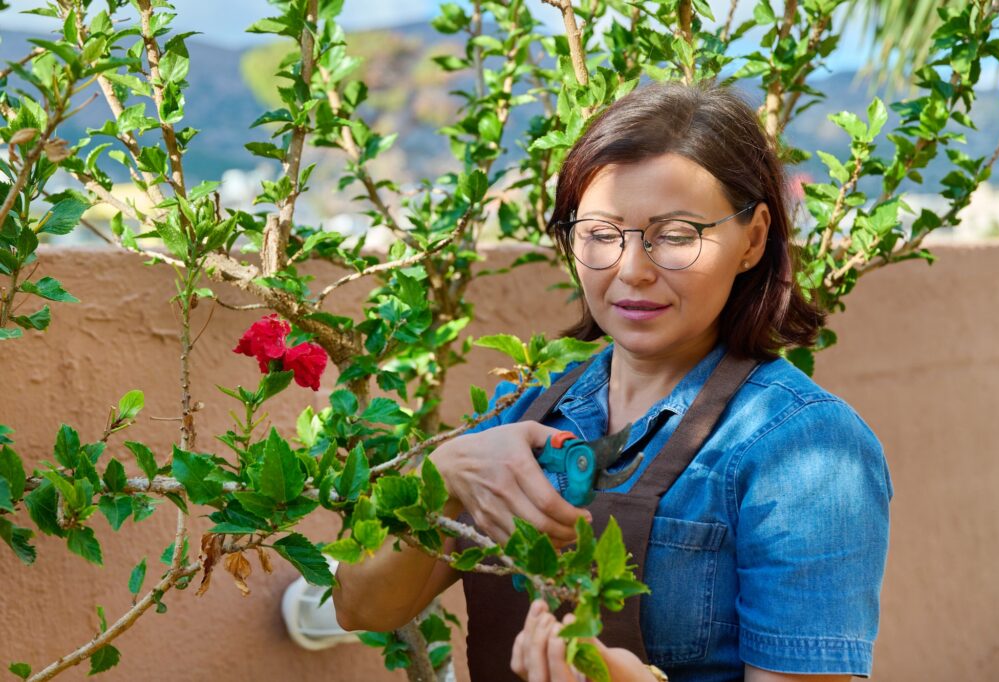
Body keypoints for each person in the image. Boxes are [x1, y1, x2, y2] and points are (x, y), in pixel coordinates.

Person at [335, 82, 893, 682]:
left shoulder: (807, 449)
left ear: (754, 238)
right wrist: (443, 476)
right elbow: (363, 606)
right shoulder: (530, 406)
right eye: (600, 234)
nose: (631, 270)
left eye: (677, 235)